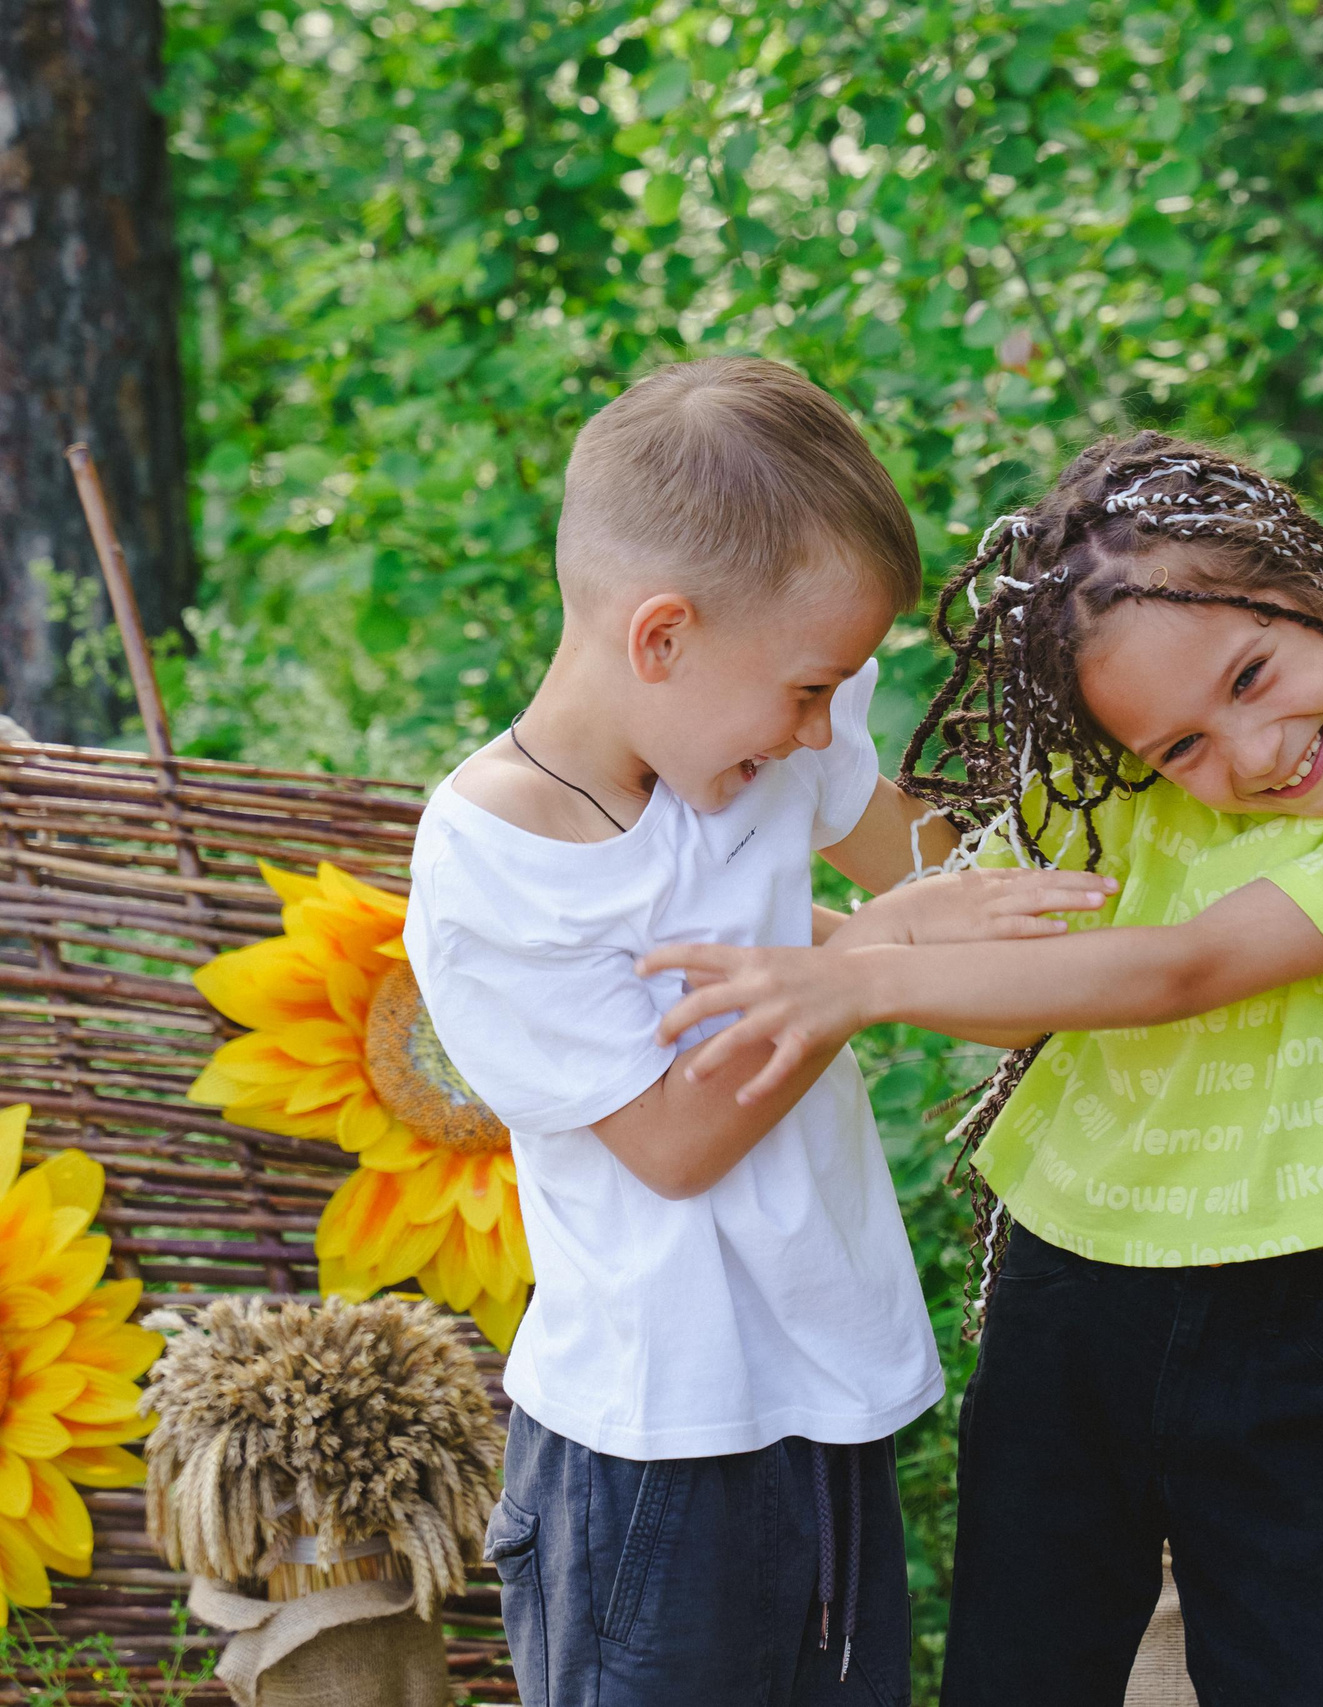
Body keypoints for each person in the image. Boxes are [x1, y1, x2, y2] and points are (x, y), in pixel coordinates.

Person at [639, 434, 1323, 1707]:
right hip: (1065, 1294)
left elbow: (1183, 968)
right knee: (1022, 1668)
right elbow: (975, 948)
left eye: (1251, 673)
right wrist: (809, 922)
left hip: (1290, 1322)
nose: (1247, 753)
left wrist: (853, 984)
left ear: (1315, 588)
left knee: (1297, 1674)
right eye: (1179, 746)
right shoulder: (1129, 792)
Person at [402, 356, 1112, 1707]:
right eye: (805, 688)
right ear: (659, 637)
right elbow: (674, 1140)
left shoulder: (768, 748)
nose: (818, 726)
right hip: (651, 1445)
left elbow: (966, 913)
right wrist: (866, 961)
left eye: (832, 692)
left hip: (827, 1389)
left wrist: (910, 944)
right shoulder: (500, 860)